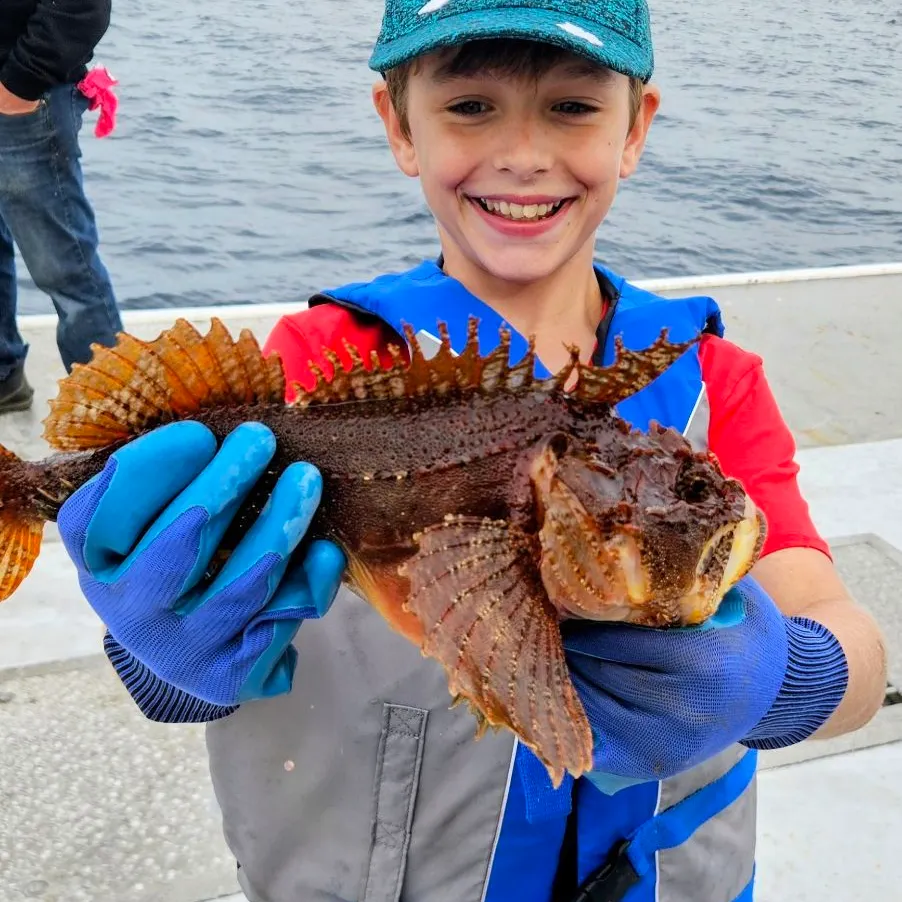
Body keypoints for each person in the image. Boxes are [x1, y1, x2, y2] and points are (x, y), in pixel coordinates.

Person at [55, 1, 887, 900]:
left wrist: (776, 680)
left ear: (635, 128)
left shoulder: (714, 380)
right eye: (470, 106)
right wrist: (167, 658)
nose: (523, 155)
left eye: (572, 106)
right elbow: (192, 681)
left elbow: (856, 651)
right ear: (399, 125)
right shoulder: (306, 371)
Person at [0, 0, 122, 413]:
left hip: (22, 100)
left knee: (65, 268)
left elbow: (80, 7)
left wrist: (19, 85)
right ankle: (4, 378)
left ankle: (114, 416)